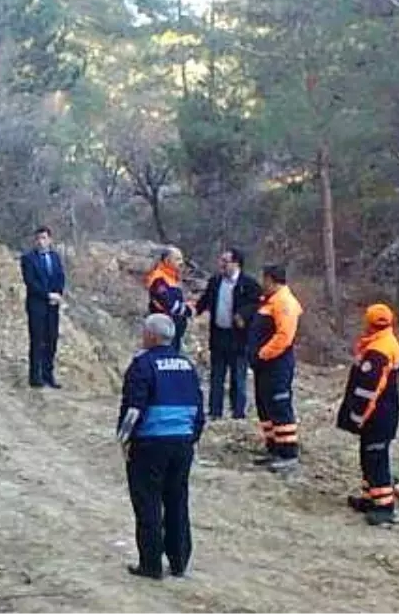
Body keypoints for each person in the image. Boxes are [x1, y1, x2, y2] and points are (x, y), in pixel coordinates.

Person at [116, 313, 205, 580]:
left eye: (144, 332)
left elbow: (133, 408)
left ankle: (151, 564)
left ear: (152, 336)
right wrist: (192, 437)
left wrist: (124, 439)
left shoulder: (143, 364)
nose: (142, 336)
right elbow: (199, 408)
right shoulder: (187, 365)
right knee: (177, 500)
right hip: (182, 443)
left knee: (148, 502)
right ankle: (179, 562)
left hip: (150, 443)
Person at [335, 303, 399, 526]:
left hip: (377, 416)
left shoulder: (378, 350)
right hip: (383, 414)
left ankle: (384, 506)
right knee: (369, 457)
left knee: (376, 459)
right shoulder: (385, 342)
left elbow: (369, 390)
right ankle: (370, 498)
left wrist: (357, 417)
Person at [194, 247, 260, 419]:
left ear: (236, 263)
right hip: (218, 335)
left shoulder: (249, 284)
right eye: (221, 260)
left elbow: (257, 305)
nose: (221, 264)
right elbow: (205, 301)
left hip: (238, 337)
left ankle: (238, 412)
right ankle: (215, 412)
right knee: (217, 376)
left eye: (225, 261)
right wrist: (192, 310)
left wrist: (243, 315)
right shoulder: (215, 281)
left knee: (238, 377)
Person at [249, 264, 303, 472]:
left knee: (279, 406)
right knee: (265, 405)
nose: (262, 284)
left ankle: (288, 452)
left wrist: (263, 354)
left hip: (276, 364)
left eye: (264, 280)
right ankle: (273, 447)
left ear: (271, 280)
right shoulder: (270, 301)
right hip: (265, 365)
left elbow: (284, 336)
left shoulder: (284, 302)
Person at [20, 226, 65, 388]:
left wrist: (58, 294)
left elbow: (60, 277)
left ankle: (48, 375)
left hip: (53, 306)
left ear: (50, 240)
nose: (41, 242)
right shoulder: (28, 259)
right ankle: (35, 376)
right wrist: (47, 295)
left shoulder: (55, 257)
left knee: (51, 340)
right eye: (38, 238)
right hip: (36, 305)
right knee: (37, 340)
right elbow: (30, 283)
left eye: (44, 238)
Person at [144, 247, 191, 355]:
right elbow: (168, 303)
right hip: (162, 333)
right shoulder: (158, 278)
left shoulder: (172, 277)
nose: (181, 263)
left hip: (173, 331)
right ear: (167, 261)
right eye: (178, 259)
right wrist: (188, 310)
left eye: (181, 259)